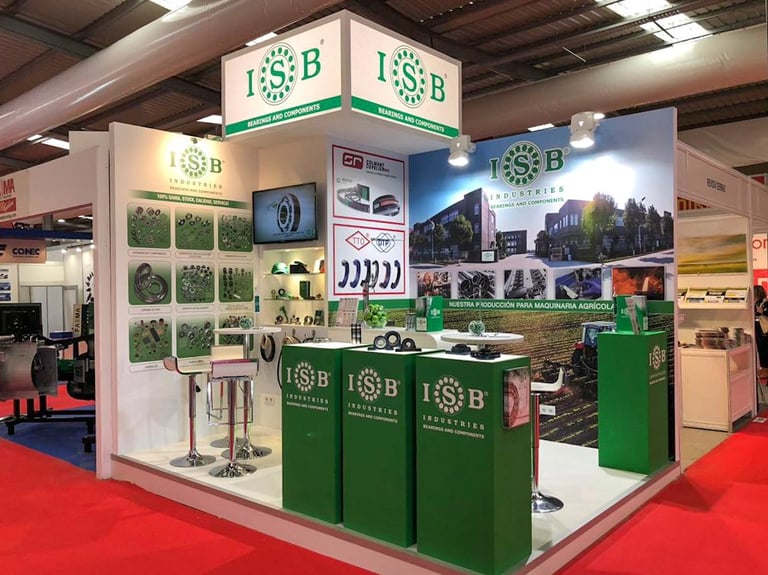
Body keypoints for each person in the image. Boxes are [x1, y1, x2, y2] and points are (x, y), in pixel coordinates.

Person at [754, 285, 768, 378]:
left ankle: (766, 369)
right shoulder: (755, 303)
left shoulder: (765, 303)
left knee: (765, 350)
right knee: (760, 350)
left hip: (765, 330)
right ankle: (763, 368)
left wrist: (762, 311)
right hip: (758, 329)